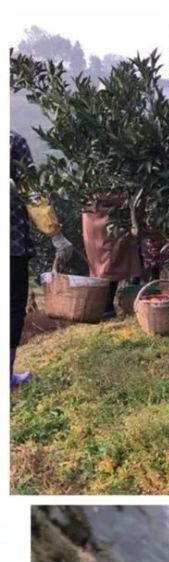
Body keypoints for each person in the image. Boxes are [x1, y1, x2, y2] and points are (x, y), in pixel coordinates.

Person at [9, 130, 80, 387]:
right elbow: (32, 194)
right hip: (11, 242)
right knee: (13, 306)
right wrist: (56, 235)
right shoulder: (12, 141)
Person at [81, 195, 143, 319]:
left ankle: (106, 307)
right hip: (104, 216)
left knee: (111, 261)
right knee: (109, 262)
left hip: (105, 215)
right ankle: (105, 308)